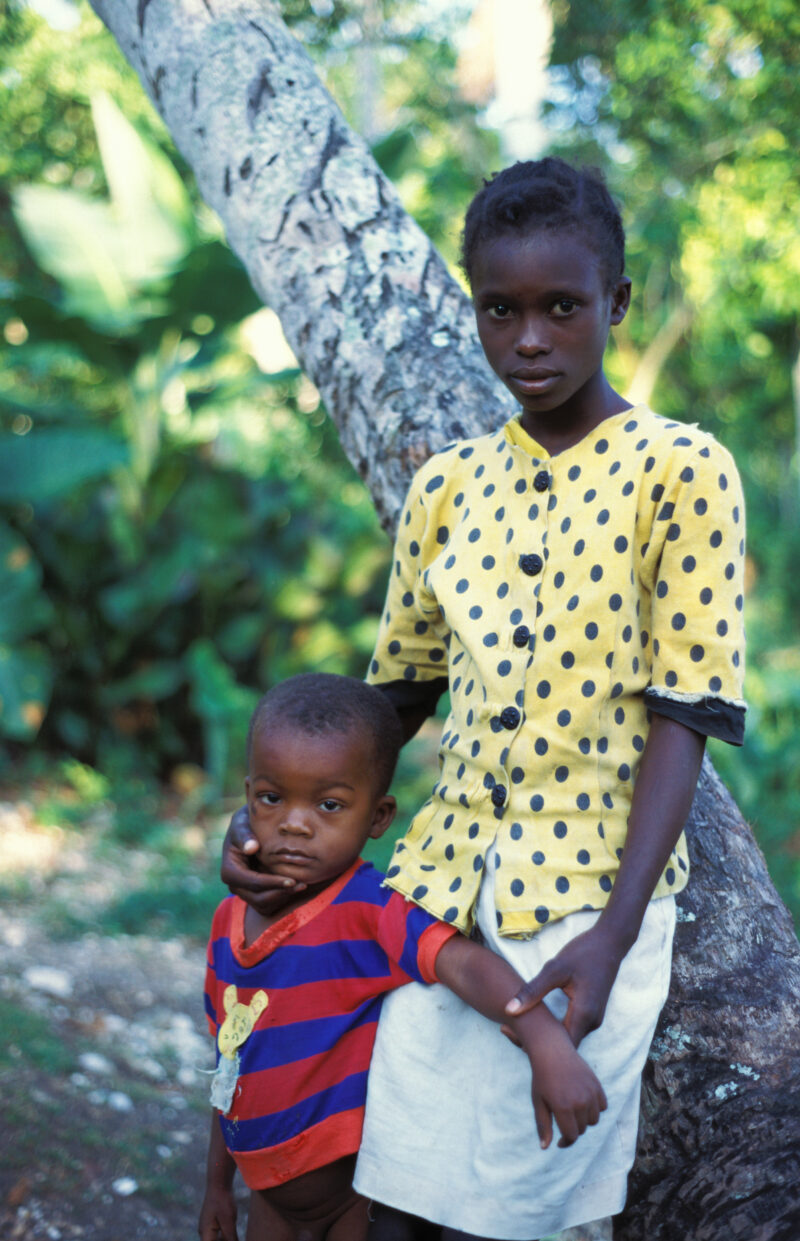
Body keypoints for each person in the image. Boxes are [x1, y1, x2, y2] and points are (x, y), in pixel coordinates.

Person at [221, 158, 747, 1240]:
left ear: (615, 302)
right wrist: (274, 821)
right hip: (437, 894)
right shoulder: (448, 487)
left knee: (517, 1203)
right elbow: (393, 700)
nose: (529, 339)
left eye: (562, 307)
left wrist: (611, 934)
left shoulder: (681, 470)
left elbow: (684, 713)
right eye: (500, 310)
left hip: (585, 900)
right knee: (394, 1178)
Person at [200, 672, 607, 1241]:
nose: (294, 823)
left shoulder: (370, 909)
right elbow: (231, 1059)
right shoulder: (228, 923)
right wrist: (218, 1186)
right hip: (266, 1198)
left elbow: (462, 963)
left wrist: (545, 1040)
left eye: (329, 805)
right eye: (272, 798)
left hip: (351, 1198)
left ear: (378, 818)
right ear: (247, 798)